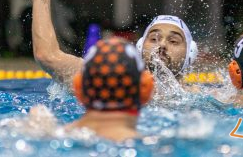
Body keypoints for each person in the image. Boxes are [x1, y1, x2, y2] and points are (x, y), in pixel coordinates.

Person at [12, 0, 198, 90]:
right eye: (154, 38)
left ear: (190, 55)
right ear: (140, 48)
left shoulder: (202, 99)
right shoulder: (113, 81)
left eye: (174, 41)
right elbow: (48, 57)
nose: (162, 45)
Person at [20, 37, 153, 142]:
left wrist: (41, 129)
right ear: (146, 90)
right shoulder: (156, 146)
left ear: (78, 89)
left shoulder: (42, 132)